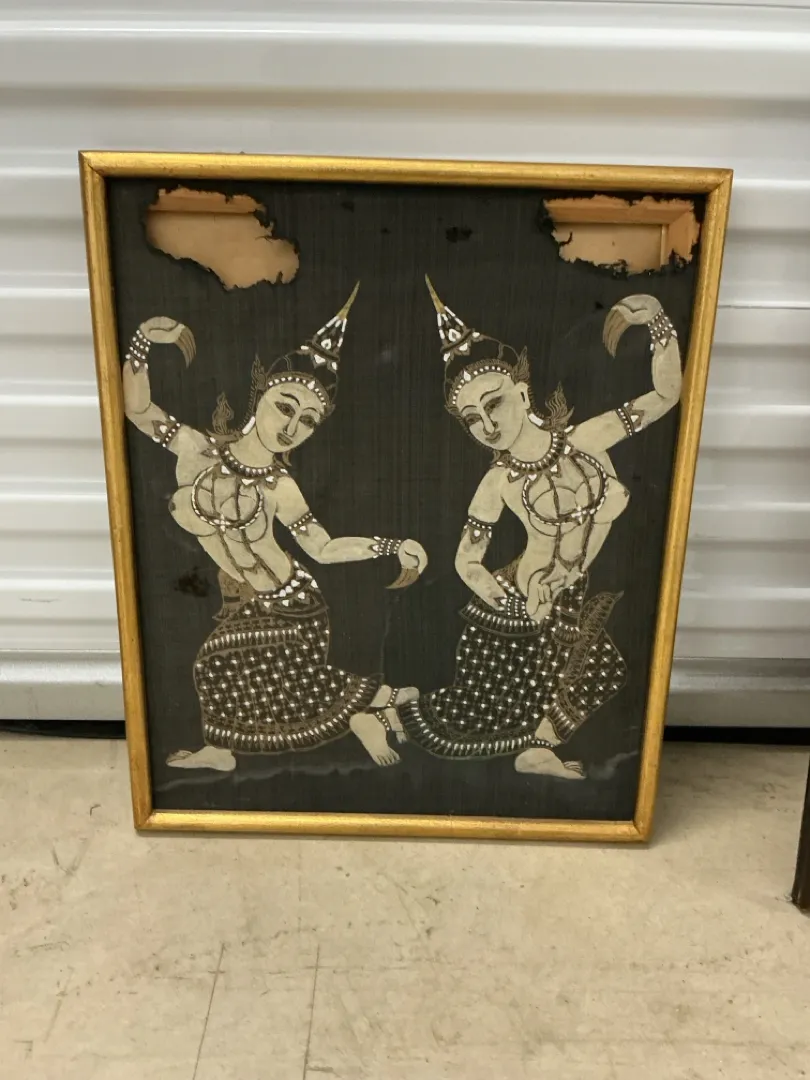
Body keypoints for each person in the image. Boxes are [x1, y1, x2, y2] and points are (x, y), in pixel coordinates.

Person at [122, 285, 427, 772]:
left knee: (243, 669)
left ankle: (379, 703)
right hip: (250, 599)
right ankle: (371, 707)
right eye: (285, 407)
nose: (292, 426)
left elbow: (322, 547)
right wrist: (140, 343)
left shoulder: (280, 486)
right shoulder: (197, 450)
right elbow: (138, 411)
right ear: (260, 395)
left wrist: (391, 545)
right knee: (227, 670)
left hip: (293, 600)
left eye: (307, 421)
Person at [399, 278, 682, 779]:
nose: (487, 425)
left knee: (596, 672)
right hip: (519, 605)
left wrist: (659, 323)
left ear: (522, 391)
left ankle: (535, 749)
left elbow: (665, 395)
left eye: (494, 403)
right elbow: (467, 560)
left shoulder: (587, 439)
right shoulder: (498, 483)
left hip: (567, 592)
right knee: (486, 709)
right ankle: (388, 716)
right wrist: (509, 600)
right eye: (472, 419)